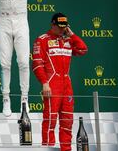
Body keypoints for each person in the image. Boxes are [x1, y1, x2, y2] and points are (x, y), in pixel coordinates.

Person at [32, 13, 87, 151]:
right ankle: (48, 149)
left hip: (67, 85)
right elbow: (37, 64)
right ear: (53, 24)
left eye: (65, 27)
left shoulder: (68, 40)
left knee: (67, 122)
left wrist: (72, 34)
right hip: (52, 84)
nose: (62, 29)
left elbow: (83, 49)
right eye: (60, 26)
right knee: (50, 121)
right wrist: (44, 83)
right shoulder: (42, 40)